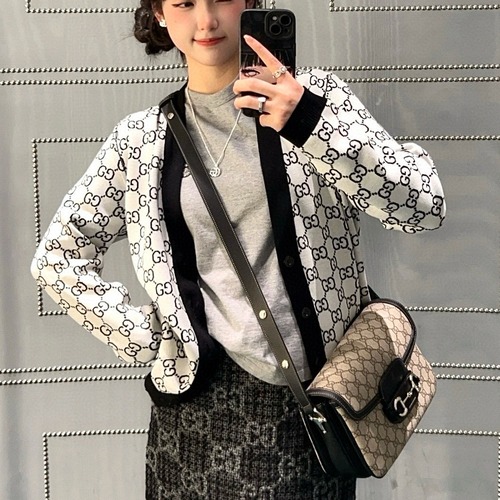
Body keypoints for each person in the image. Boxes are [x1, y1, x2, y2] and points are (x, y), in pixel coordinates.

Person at [31, 0, 446, 498]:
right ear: (159, 13)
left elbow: (422, 207)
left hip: (310, 403)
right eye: (184, 3)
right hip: (192, 414)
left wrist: (308, 122)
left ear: (250, 4)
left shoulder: (318, 100)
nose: (206, 20)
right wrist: (145, 335)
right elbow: (57, 256)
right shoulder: (140, 142)